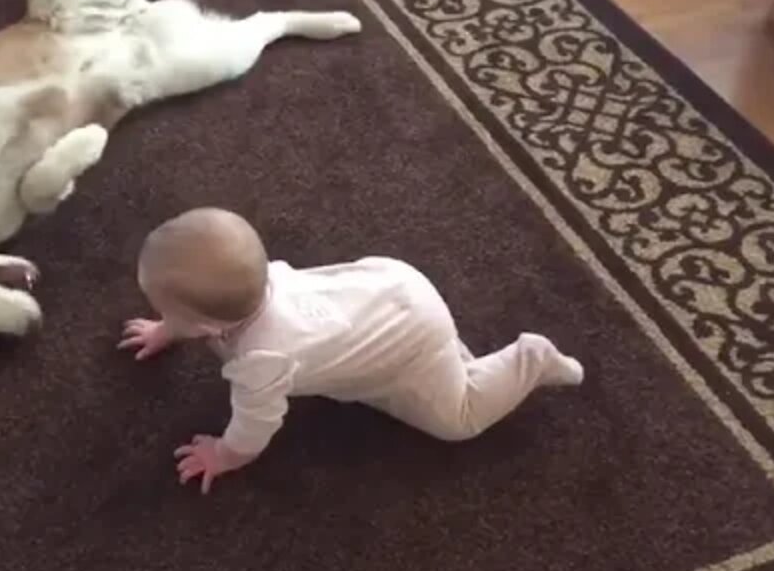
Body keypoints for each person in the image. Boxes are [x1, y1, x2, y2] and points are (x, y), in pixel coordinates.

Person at [119, 207, 584, 494]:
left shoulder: (261, 364)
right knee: (439, 362)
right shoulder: (262, 281)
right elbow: (202, 315)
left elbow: (254, 428)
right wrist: (169, 327)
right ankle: (455, 359)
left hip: (409, 341)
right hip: (388, 284)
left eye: (163, 308)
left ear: (203, 327)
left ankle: (530, 357)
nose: (158, 314)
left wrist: (223, 454)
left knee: (457, 418)